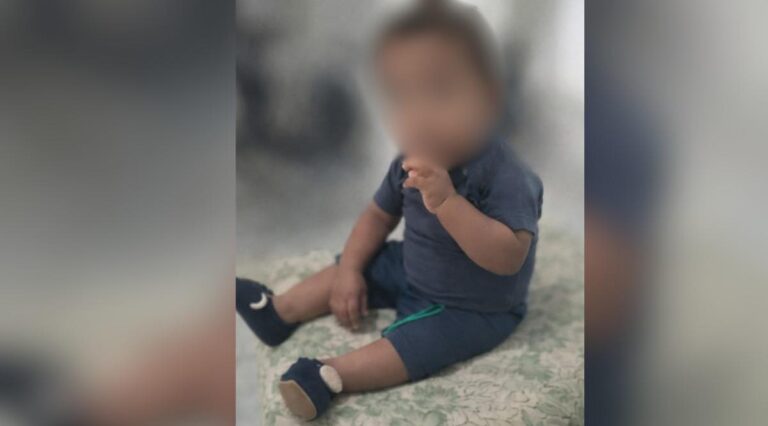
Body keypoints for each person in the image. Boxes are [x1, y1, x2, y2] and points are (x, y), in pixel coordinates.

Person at [237, 0, 543, 420]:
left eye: (440, 92)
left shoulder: (506, 174)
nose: (419, 115)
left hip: (472, 307)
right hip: (411, 268)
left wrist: (448, 203)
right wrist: (350, 271)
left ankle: (329, 375)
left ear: (490, 97)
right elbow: (377, 217)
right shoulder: (408, 160)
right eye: (400, 98)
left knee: (419, 343)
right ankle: (279, 311)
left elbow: (508, 257)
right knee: (364, 259)